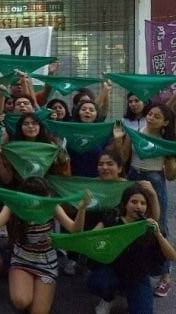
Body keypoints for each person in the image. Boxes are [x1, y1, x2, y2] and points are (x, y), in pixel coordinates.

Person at [0, 177, 91, 314]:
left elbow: (75, 229)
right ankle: (24, 285)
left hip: (46, 261)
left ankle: (39, 289)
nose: (47, 199)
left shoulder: (51, 206)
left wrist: (82, 209)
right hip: (22, 258)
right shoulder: (15, 204)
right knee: (21, 301)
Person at [112, 103, 176, 296]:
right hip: (133, 176)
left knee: (159, 227)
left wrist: (171, 158)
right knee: (129, 223)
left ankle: (165, 277)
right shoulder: (136, 132)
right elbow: (123, 159)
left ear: (165, 122)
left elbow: (171, 176)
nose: (151, 118)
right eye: (150, 114)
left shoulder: (167, 142)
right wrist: (118, 140)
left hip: (155, 180)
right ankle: (132, 268)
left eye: (157, 116)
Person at [87, 185, 176, 314]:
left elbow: (172, 256)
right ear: (125, 204)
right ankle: (108, 298)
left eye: (143, 203)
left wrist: (158, 235)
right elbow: (91, 237)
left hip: (137, 276)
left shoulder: (149, 227)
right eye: (134, 202)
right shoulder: (113, 220)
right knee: (96, 283)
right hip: (113, 271)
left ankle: (128, 295)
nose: (138, 206)